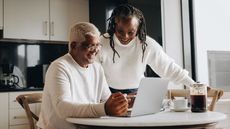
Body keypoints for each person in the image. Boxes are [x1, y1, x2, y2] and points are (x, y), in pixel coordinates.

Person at [37, 22, 128, 129]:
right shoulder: (59, 67)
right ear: (74, 46)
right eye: (90, 45)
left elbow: (106, 100)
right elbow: (62, 108)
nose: (96, 50)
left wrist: (121, 103)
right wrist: (104, 108)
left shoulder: (97, 68)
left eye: (98, 45)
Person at [96, 4, 195, 94]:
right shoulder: (101, 43)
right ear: (114, 26)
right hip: (107, 93)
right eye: (120, 31)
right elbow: (93, 74)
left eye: (131, 32)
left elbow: (169, 68)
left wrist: (194, 86)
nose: (125, 36)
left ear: (138, 29)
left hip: (137, 94)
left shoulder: (146, 44)